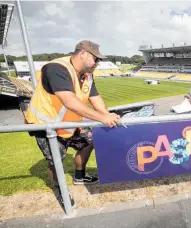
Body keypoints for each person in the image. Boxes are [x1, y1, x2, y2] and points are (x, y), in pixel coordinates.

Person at [25, 40, 121, 208]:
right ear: (82, 53)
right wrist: (102, 118)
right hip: (46, 126)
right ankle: (61, 189)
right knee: (56, 160)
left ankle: (79, 176)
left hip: (69, 124)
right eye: (95, 59)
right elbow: (70, 101)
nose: (97, 63)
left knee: (90, 140)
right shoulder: (57, 68)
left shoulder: (87, 75)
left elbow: (97, 101)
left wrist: (108, 115)